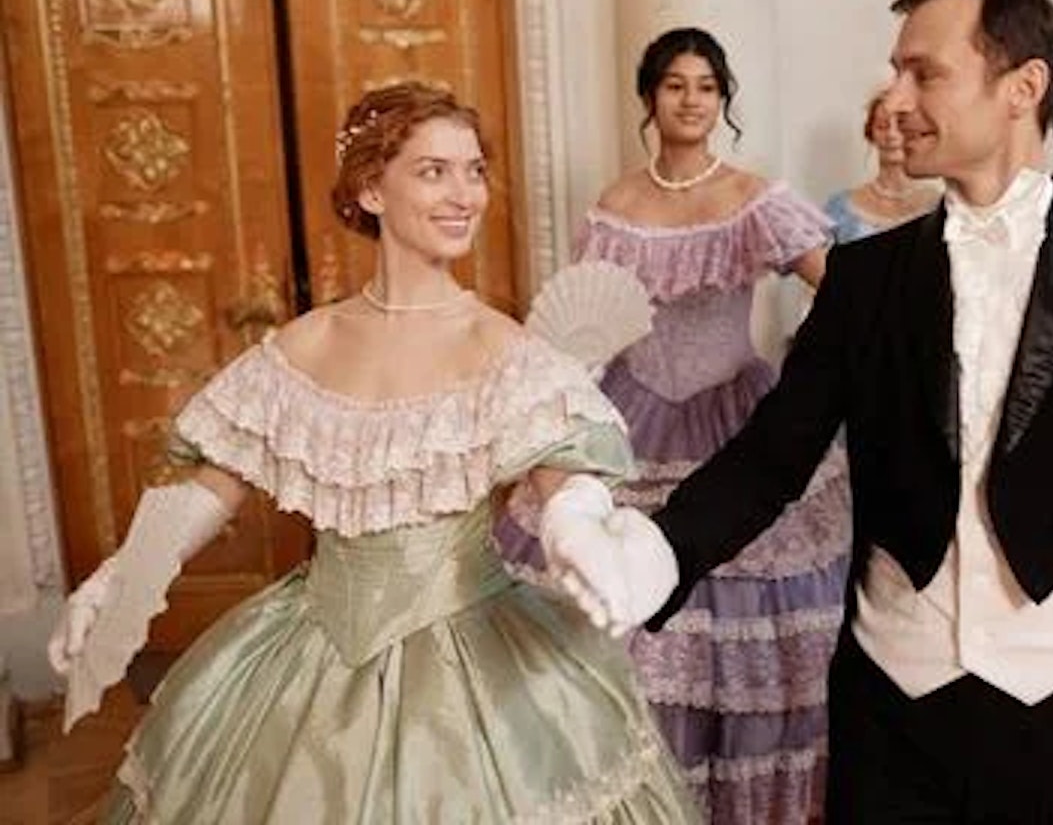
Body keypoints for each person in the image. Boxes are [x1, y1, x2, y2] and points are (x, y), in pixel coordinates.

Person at [545, 0, 1053, 824]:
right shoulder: (867, 277)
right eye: (896, 73)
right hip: (891, 699)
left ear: (1022, 89)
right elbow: (773, 456)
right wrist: (652, 557)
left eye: (924, 73)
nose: (896, 98)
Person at [48, 82, 699, 823]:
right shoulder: (305, 345)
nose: (465, 194)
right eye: (433, 171)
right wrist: (118, 579)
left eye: (474, 169)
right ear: (371, 189)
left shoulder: (503, 350)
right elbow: (213, 485)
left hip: (469, 667)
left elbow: (565, 470)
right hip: (306, 655)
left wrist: (579, 524)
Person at [496, 28, 849, 823]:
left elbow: (840, 294)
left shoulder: (754, 198)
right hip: (630, 412)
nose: (692, 99)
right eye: (675, 85)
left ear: (724, 100)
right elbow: (590, 320)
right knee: (615, 591)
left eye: (706, 86)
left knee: (737, 579)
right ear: (649, 98)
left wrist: (812, 382)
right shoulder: (617, 204)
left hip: (735, 407)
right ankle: (640, 793)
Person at [824, 92, 940, 242]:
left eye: (901, 125)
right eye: (882, 126)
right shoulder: (839, 207)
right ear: (870, 133)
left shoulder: (939, 205)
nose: (891, 135)